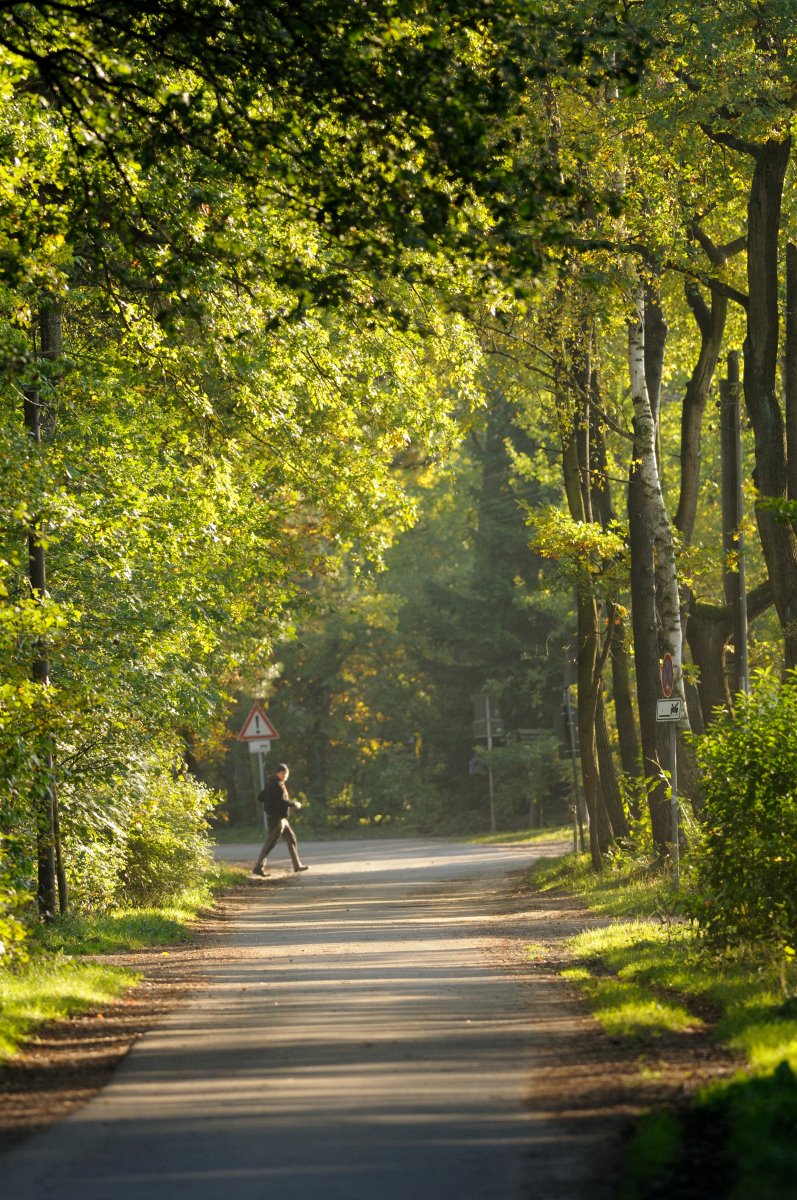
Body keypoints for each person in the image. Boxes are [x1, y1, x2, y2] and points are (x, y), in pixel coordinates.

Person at [252, 763, 309, 875]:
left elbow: (261, 797)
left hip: (281, 818)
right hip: (276, 818)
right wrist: (294, 803)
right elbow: (281, 801)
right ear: (278, 773)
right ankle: (258, 867)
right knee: (270, 843)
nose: (285, 775)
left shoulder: (272, 783)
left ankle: (297, 865)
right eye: (284, 773)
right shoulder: (276, 784)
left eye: (287, 773)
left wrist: (269, 802)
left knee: (291, 838)